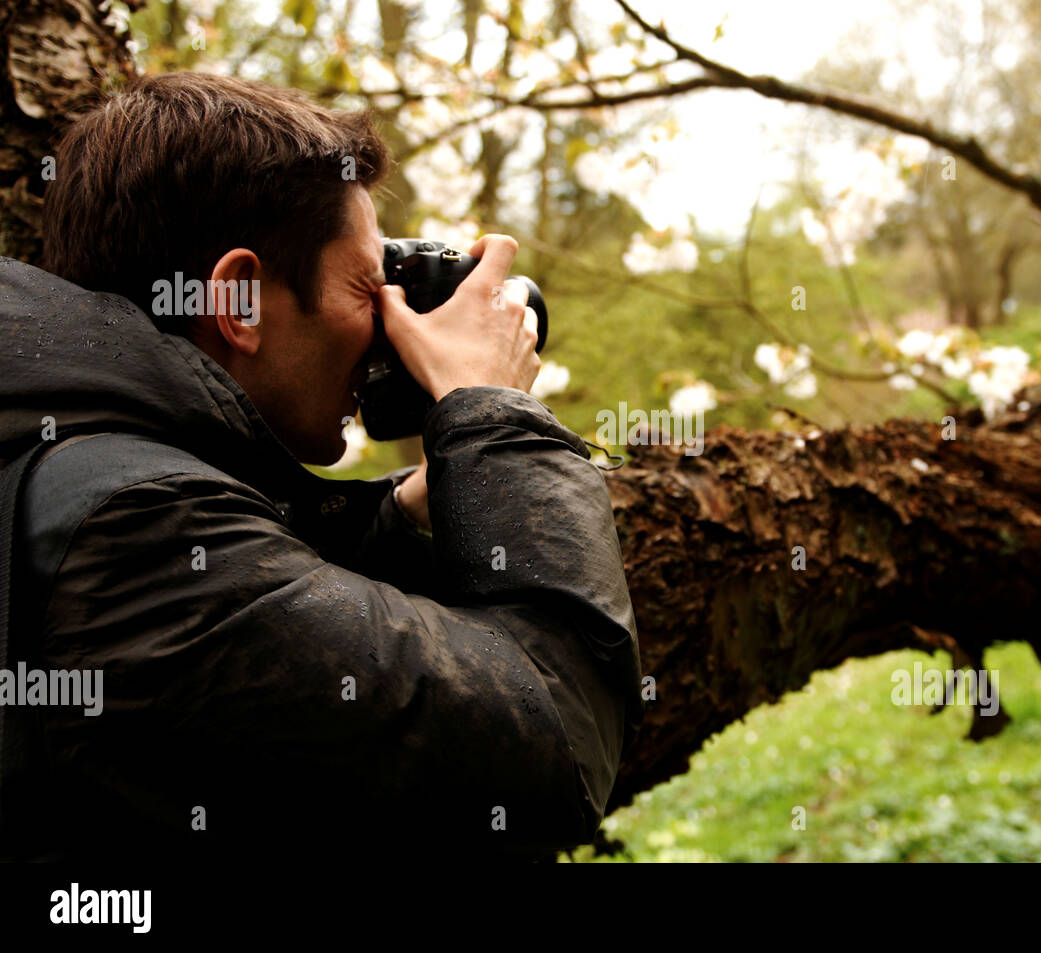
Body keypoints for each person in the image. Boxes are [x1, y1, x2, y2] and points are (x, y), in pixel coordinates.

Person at [0, 71, 642, 860]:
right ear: (238, 300)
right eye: (367, 286)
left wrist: (413, 510)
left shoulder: (66, 448)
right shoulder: (135, 540)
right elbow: (558, 743)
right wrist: (492, 414)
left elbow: (273, 589)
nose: (387, 326)